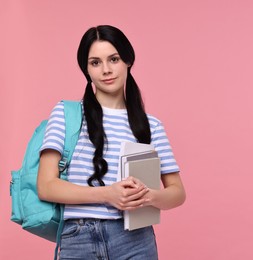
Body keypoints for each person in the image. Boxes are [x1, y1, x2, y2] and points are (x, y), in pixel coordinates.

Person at [37, 25, 186, 259]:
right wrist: (108, 194)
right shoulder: (66, 114)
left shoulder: (150, 125)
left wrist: (146, 196)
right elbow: (46, 186)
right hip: (78, 238)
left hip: (135, 239)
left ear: (128, 60)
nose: (106, 70)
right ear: (86, 70)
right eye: (95, 62)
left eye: (113, 59)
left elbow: (177, 193)